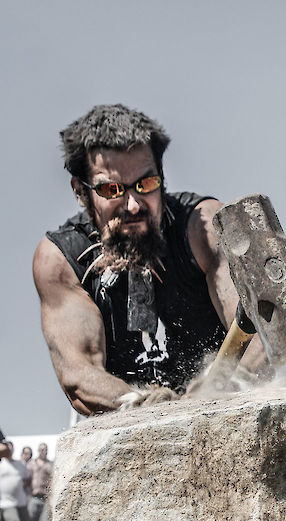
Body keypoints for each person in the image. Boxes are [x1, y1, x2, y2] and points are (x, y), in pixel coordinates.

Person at [33, 104, 265, 416]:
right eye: (111, 189)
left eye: (146, 184)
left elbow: (259, 336)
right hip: (130, 423)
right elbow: (80, 376)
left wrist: (217, 393)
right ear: (80, 192)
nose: (132, 205)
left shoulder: (204, 227)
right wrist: (151, 408)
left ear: (162, 176)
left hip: (225, 408)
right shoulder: (59, 260)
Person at [0, 443, 31, 521]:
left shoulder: (20, 464)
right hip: (6, 502)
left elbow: (28, 478)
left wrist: (22, 485)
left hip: (21, 501)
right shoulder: (1, 464)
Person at [27, 443, 53, 521]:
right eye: (41, 450)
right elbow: (25, 479)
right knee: (30, 520)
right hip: (33, 497)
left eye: (45, 450)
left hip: (45, 498)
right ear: (38, 451)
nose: (43, 452)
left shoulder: (49, 465)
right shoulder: (31, 464)